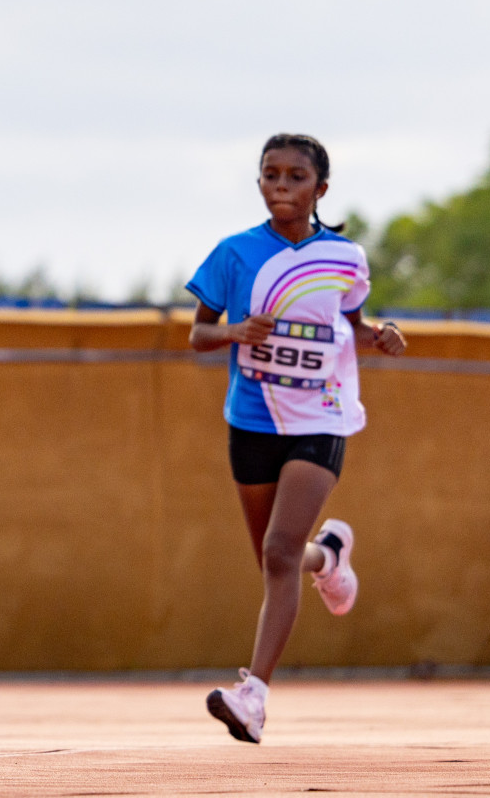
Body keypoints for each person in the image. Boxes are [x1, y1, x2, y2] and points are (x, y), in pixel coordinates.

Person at [185, 133, 406, 744]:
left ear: (320, 189)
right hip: (252, 419)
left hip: (322, 417)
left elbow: (352, 324)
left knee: (279, 553)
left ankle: (253, 696)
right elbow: (198, 335)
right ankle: (329, 558)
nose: (281, 187)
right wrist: (234, 333)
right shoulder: (233, 255)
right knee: (276, 558)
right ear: (259, 183)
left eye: (295, 177)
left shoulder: (345, 257)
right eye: (270, 175)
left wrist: (380, 334)